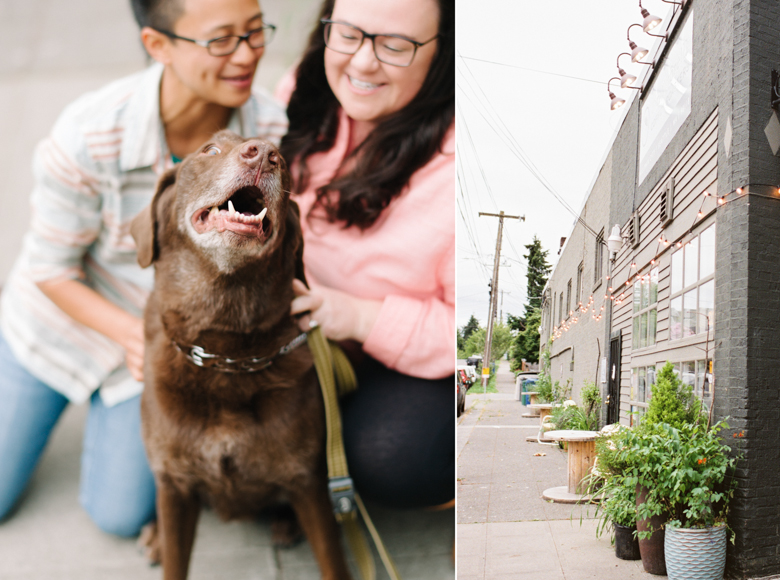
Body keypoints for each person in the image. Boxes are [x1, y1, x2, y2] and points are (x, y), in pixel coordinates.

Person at [0, 0, 287, 537]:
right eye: (221, 40)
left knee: (120, 515)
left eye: (255, 32)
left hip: (167, 341)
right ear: (158, 45)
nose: (246, 54)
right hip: (59, 326)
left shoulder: (266, 128)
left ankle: (106, 426)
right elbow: (49, 269)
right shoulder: (87, 136)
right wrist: (137, 335)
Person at [278, 0, 454, 509]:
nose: (360, 64)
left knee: (391, 456)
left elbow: (454, 326)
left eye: (394, 46)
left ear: (440, 54)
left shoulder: (449, 165)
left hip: (410, 354)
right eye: (348, 33)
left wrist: (353, 315)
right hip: (304, 319)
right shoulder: (303, 88)